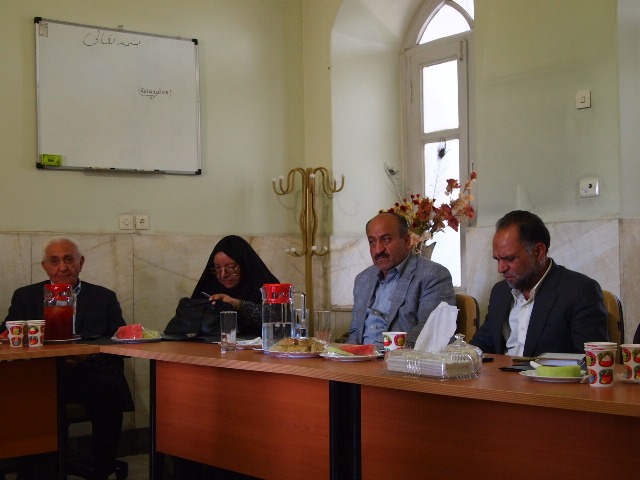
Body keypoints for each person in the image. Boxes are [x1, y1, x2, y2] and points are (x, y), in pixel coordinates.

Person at [3, 236, 134, 480]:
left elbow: (118, 337)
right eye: (54, 261)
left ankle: (103, 467)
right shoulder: (25, 296)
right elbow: (7, 335)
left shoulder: (103, 297)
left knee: (109, 389)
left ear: (81, 263)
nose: (62, 267)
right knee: (29, 394)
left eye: (68, 259)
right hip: (42, 374)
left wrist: (87, 355)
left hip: (89, 371)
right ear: (45, 266)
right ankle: (40, 470)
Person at [470, 210, 609, 356]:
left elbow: (591, 360)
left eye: (509, 259)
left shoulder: (579, 291)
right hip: (500, 371)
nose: (501, 268)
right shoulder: (501, 292)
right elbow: (481, 346)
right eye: (497, 260)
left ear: (538, 252)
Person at [347, 212, 456, 348]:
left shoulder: (433, 275)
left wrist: (385, 355)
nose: (378, 249)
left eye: (386, 239)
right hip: (361, 358)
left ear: (407, 241)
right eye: (372, 242)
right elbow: (355, 333)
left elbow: (430, 333)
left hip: (402, 359)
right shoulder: (363, 279)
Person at [193, 235, 279, 337]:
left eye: (231, 267)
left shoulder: (267, 287)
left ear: (244, 265)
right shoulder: (210, 286)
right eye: (217, 268)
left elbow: (277, 320)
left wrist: (236, 303)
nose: (223, 275)